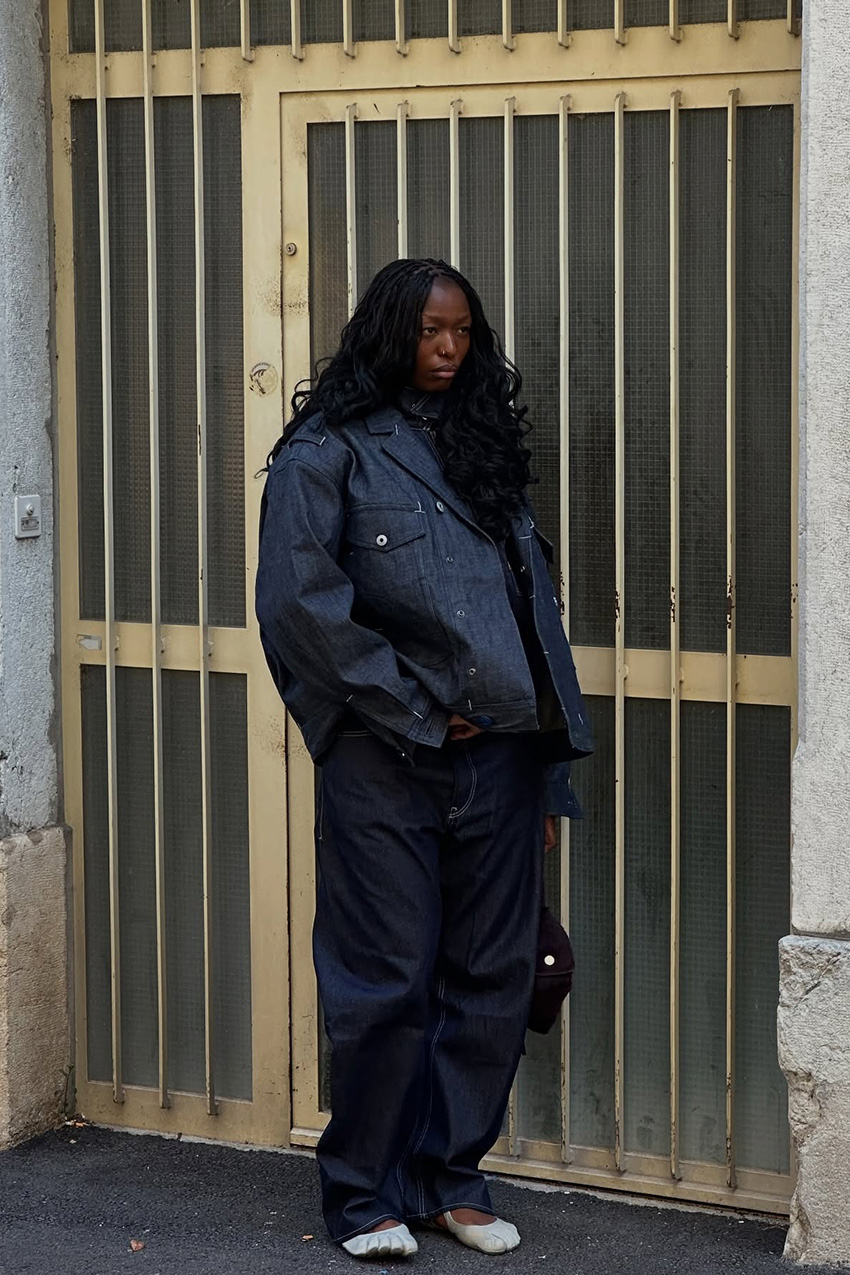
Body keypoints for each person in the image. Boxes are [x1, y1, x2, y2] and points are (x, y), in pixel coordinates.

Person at [256, 258, 592, 1260]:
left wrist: (544, 771)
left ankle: (451, 1178)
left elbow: (533, 616)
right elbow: (299, 608)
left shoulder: (486, 449)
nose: (447, 350)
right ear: (387, 333)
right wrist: (408, 705)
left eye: (463, 334)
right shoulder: (327, 454)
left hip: (502, 758)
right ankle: (362, 1195)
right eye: (429, 332)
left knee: (489, 975)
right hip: (384, 760)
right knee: (385, 977)